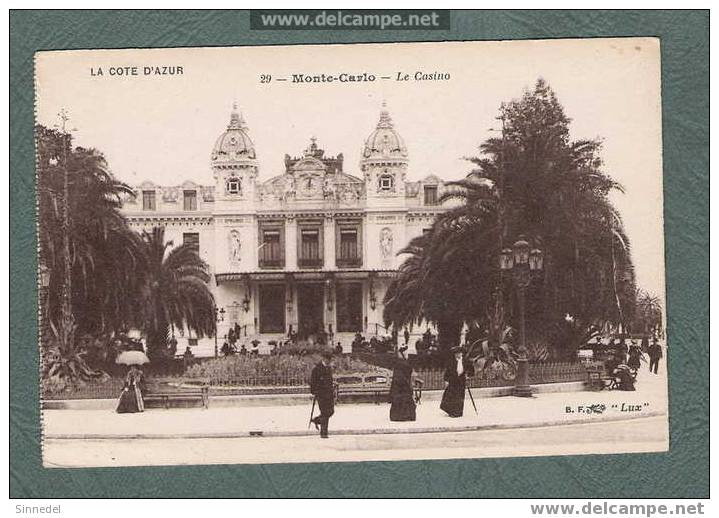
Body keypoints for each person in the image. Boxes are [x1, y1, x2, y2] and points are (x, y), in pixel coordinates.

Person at [440, 346, 475, 417]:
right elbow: (448, 371)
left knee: (460, 397)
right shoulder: (451, 361)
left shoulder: (466, 361)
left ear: (462, 353)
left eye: (459, 353)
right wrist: (446, 380)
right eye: (456, 353)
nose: (457, 355)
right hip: (453, 381)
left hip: (461, 381)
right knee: (451, 396)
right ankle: (451, 411)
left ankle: (458, 412)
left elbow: (471, 370)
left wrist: (468, 375)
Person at [309, 351, 335, 438]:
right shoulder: (317, 369)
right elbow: (312, 381)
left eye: (330, 360)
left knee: (330, 411)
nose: (329, 361)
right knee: (324, 412)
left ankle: (316, 420)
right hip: (321, 394)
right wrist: (314, 392)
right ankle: (324, 433)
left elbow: (330, 381)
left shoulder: (328, 368)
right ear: (324, 359)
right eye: (328, 360)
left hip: (329, 394)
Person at [390, 346, 416, 422]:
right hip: (401, 383)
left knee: (404, 399)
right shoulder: (401, 362)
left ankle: (402, 415)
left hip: (402, 383)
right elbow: (401, 373)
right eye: (406, 352)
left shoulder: (403, 361)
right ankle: (403, 416)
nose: (408, 354)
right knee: (403, 398)